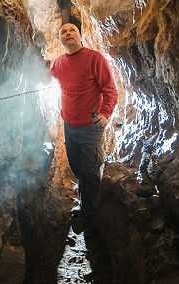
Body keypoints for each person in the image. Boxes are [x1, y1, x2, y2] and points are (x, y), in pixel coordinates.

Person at [50, 22, 118, 227]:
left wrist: (106, 113)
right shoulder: (59, 63)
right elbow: (47, 76)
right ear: (61, 39)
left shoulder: (94, 59)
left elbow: (110, 90)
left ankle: (90, 220)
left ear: (80, 36)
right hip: (69, 126)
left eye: (72, 30)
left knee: (89, 173)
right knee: (78, 168)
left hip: (90, 128)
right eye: (63, 32)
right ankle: (86, 205)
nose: (68, 33)